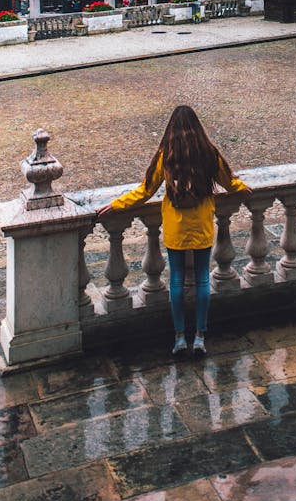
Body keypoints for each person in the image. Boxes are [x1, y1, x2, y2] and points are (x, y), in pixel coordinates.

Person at [97, 105, 250, 356]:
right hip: (201, 224)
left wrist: (115, 205)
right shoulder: (208, 152)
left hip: (175, 227)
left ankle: (179, 338)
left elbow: (145, 191)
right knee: (202, 279)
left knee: (176, 280)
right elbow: (228, 182)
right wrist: (242, 188)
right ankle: (200, 336)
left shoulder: (166, 155)